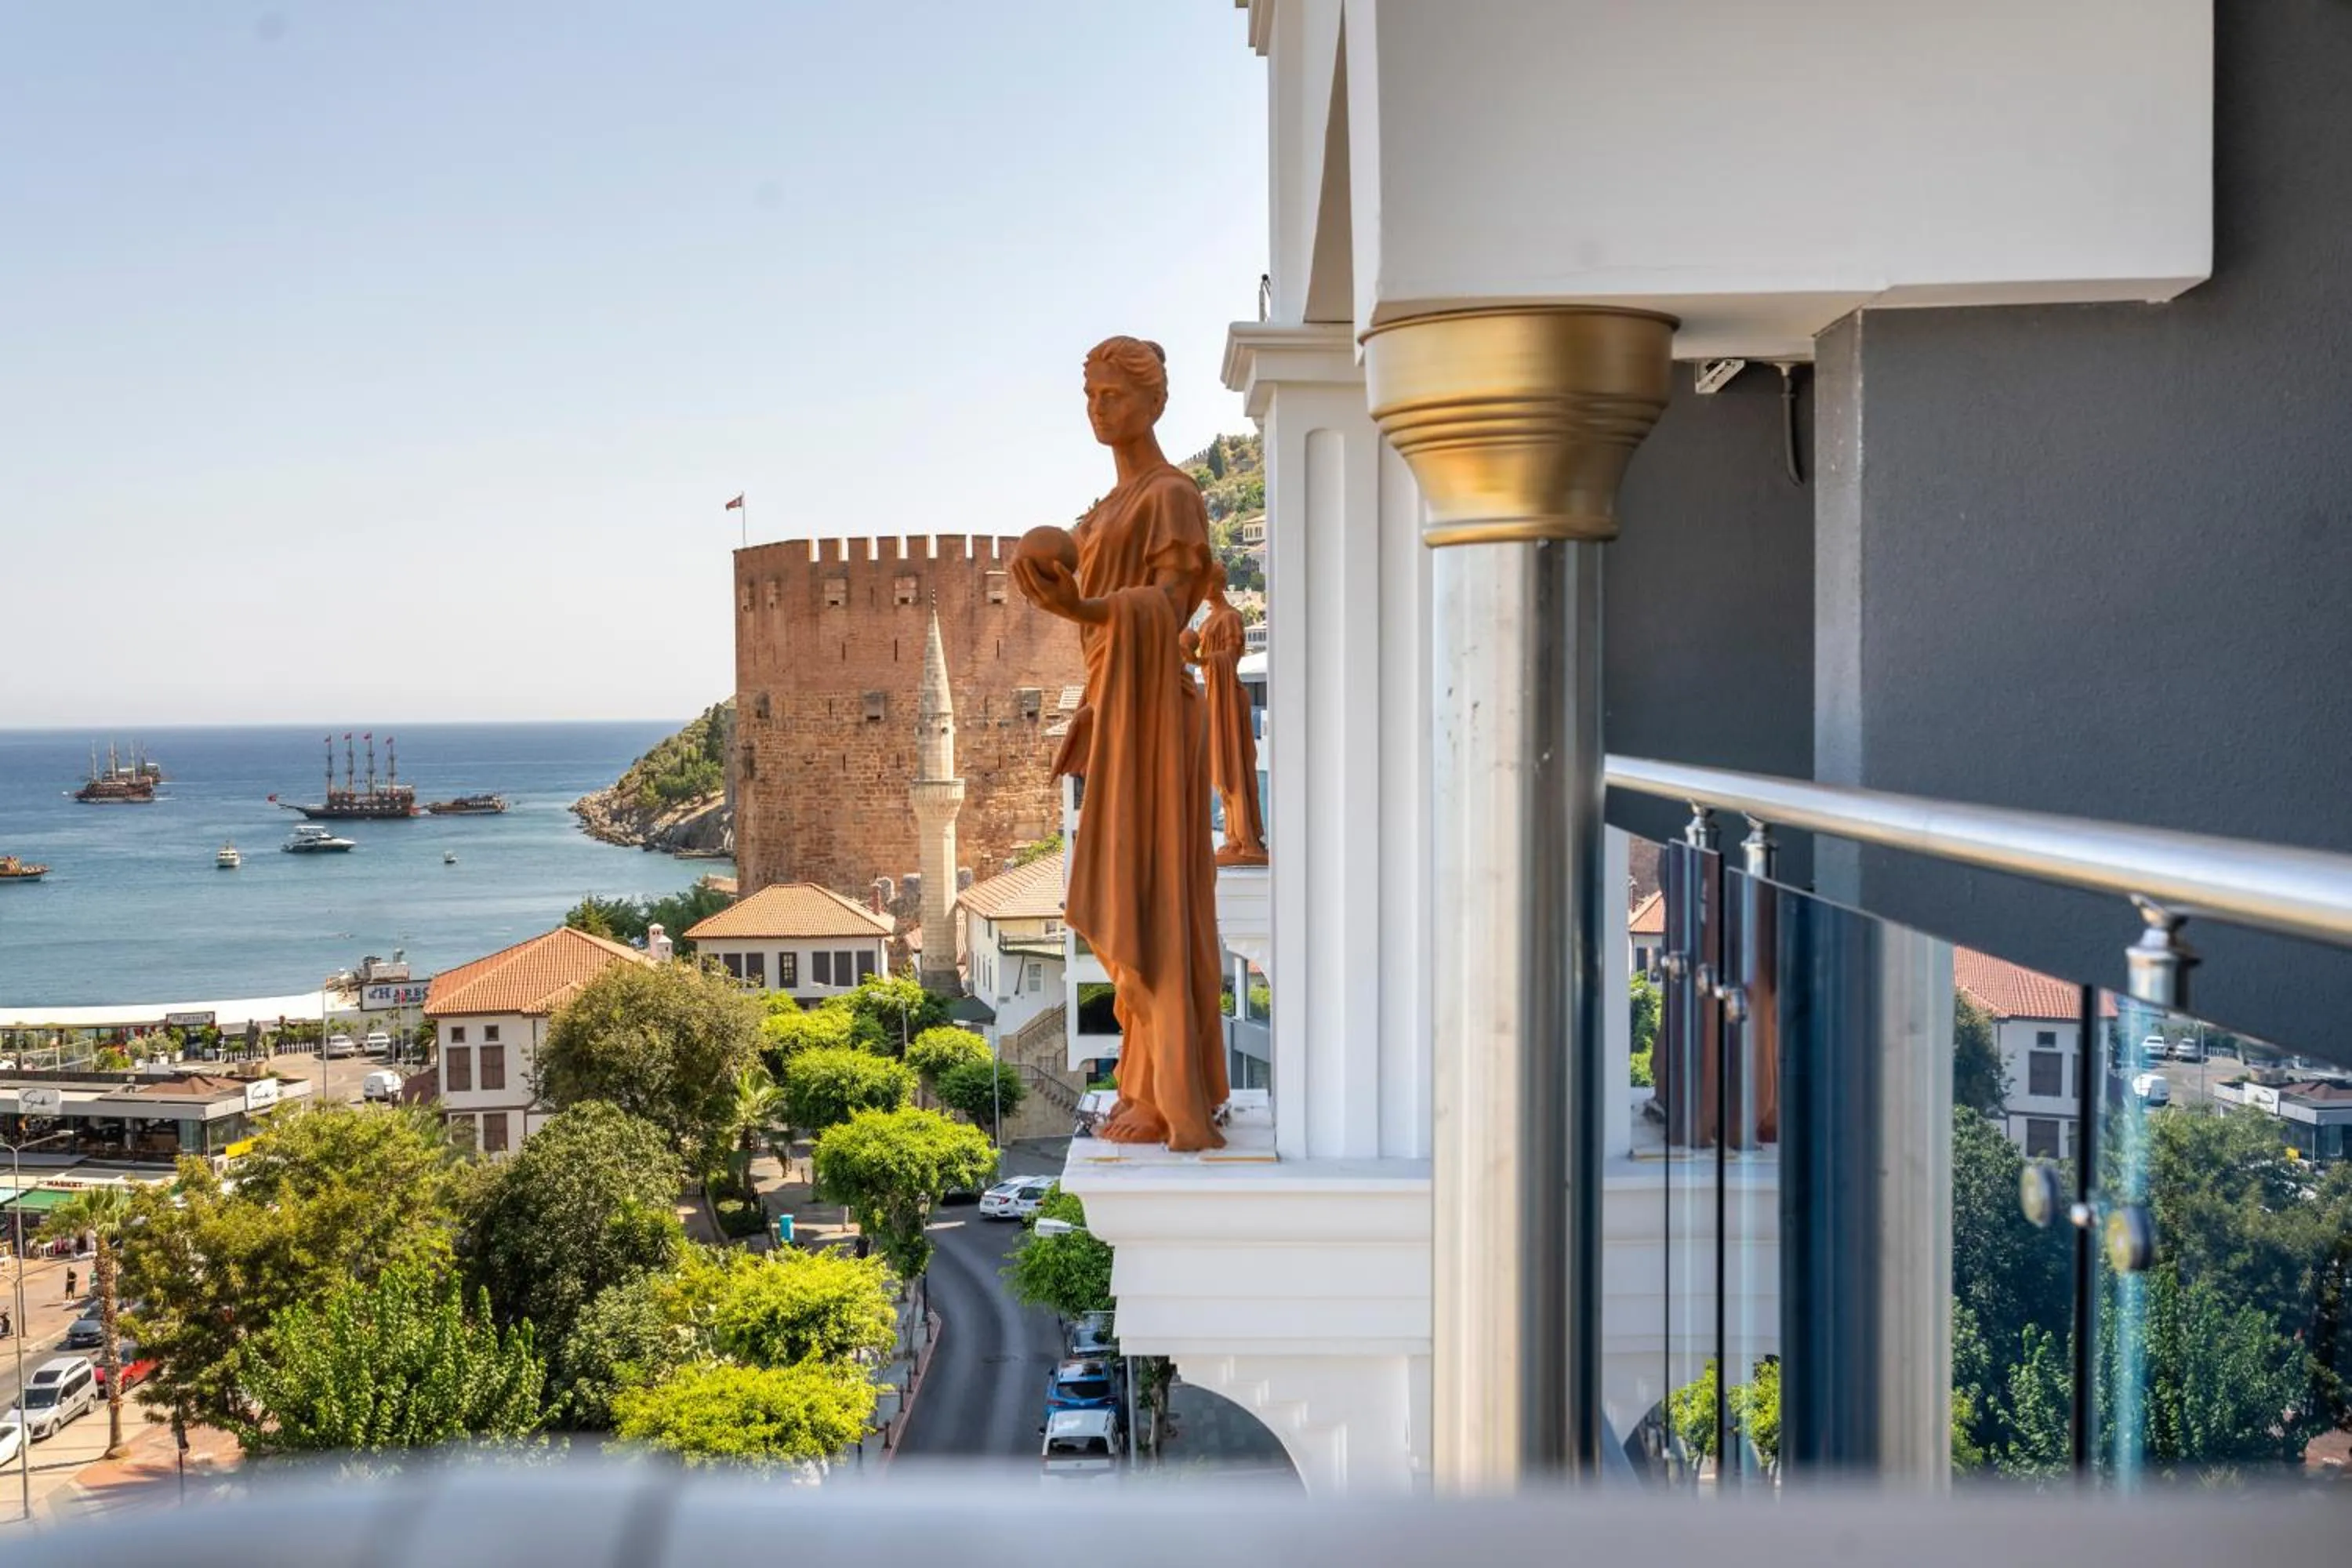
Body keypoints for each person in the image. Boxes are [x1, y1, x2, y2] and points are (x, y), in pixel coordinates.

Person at [1010, 335, 1229, 1152]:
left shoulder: (1172, 495)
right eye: (1092, 396)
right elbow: (1108, 626)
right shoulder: (1100, 511)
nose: (1100, 409)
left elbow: (1165, 613)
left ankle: (1173, 1093)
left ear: (1155, 401)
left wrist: (1076, 611)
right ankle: (1147, 1082)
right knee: (1127, 895)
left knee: (1154, 895)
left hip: (1160, 717)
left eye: (1115, 395)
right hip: (1119, 710)